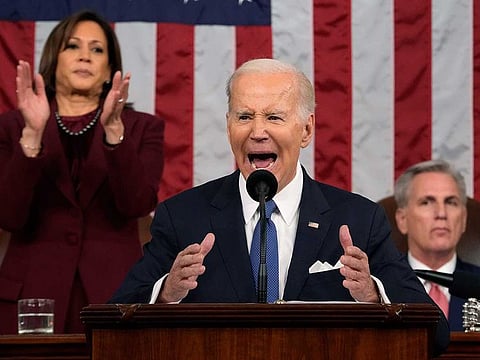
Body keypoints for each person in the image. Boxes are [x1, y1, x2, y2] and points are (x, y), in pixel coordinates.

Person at [110, 58, 449, 353]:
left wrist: (374, 295)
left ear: (306, 129)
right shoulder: (183, 217)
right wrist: (166, 295)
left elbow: (437, 334)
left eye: (274, 117)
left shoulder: (359, 220)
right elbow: (112, 325)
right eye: (244, 117)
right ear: (229, 127)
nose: (258, 131)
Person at [0, 10, 164, 334]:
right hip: (31, 299)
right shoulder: (13, 126)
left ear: (109, 70)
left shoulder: (143, 128)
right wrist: (32, 136)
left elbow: (136, 205)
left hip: (113, 299)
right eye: (73, 46)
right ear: (54, 60)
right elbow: (8, 216)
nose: (85, 56)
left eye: (97, 49)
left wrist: (115, 132)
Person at [394, 159, 480, 331]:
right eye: (426, 202)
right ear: (402, 219)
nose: (441, 213)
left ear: (463, 219)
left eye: (451, 202)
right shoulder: (379, 287)